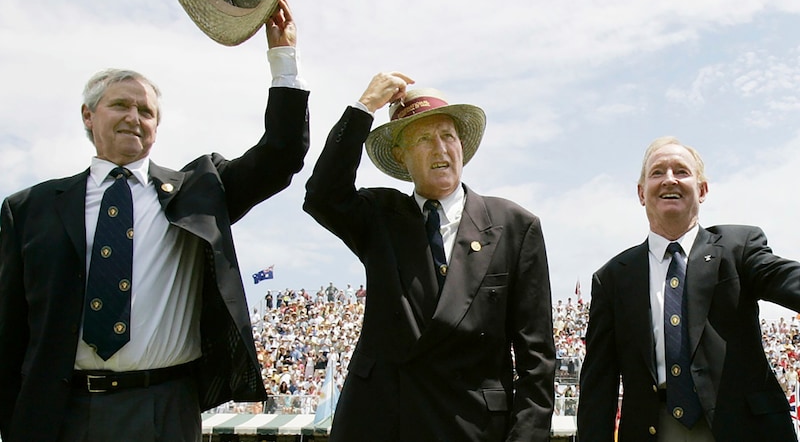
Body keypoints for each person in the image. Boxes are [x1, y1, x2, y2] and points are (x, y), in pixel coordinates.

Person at [0, 0, 309, 441]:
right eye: (120, 105)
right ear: (88, 116)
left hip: (164, 406)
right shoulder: (30, 208)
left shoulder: (198, 191)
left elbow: (281, 154)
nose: (134, 117)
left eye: (146, 111)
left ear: (157, 126)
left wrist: (284, 60)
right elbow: (8, 331)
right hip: (59, 409)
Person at [303, 71, 555, 441]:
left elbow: (537, 363)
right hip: (384, 424)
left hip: (472, 428)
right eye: (424, 138)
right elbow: (322, 195)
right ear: (399, 154)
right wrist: (363, 108)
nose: (440, 149)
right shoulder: (379, 217)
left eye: (448, 136)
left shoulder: (515, 226)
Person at [577, 136, 800, 441]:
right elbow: (598, 386)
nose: (669, 179)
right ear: (642, 193)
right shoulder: (613, 278)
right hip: (654, 429)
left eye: (681, 171)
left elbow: (788, 279)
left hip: (743, 428)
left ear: (702, 189)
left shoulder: (738, 248)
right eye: (657, 173)